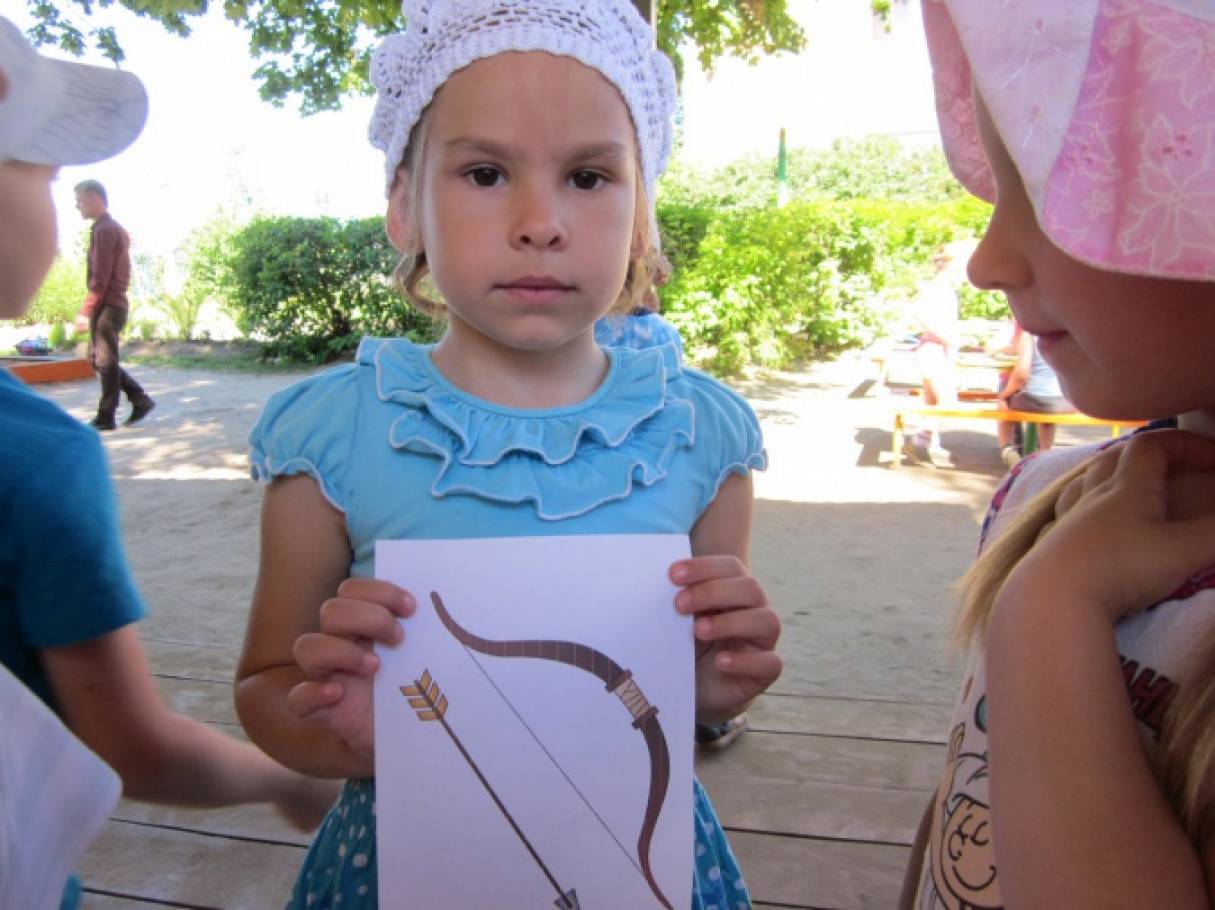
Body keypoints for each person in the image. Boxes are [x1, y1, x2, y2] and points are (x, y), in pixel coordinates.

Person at [232, 2, 782, 907]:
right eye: (485, 173)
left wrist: (716, 687)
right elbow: (265, 684)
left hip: (638, 865)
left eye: (589, 176)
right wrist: (345, 732)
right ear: (404, 207)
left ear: (641, 217)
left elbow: (679, 697)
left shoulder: (702, 435)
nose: (539, 222)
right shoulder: (335, 438)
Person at [0, 19, 337, 909]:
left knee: (111, 363)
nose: (58, 205)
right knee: (110, 367)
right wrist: (285, 778)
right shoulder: (35, 460)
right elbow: (131, 745)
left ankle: (128, 401)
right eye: (42, 174)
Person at [903, 2, 1215, 907]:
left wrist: (1047, 609)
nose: (985, 261)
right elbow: (964, 803)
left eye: (1049, 194)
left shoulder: (1060, 554)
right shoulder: (1044, 494)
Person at [73, 177, 154, 430]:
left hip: (109, 305)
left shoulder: (105, 230)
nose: (77, 206)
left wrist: (86, 310)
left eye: (80, 201)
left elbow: (101, 277)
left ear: (95, 199)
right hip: (111, 304)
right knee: (98, 359)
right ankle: (139, 398)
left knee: (105, 361)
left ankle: (106, 416)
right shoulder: (108, 228)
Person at [903, 244, 963, 466]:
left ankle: (929, 445)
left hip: (939, 348)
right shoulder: (936, 287)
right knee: (945, 400)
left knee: (933, 400)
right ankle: (918, 441)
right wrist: (947, 338)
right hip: (932, 349)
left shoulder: (947, 289)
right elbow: (922, 315)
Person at [990, 319, 1074, 467]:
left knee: (1005, 398)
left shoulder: (1028, 334)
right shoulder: (1063, 332)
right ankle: (1046, 450)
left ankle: (1008, 450)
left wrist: (1004, 396)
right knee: (1047, 406)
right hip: (1064, 401)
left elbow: (1021, 374)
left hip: (1036, 400)